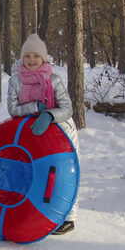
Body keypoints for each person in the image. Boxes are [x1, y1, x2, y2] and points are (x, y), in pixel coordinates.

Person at [7, 33, 79, 235]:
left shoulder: (53, 80)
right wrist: (34, 107)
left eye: (36, 56)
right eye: (27, 56)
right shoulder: (16, 81)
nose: (31, 60)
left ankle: (69, 217)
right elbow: (13, 109)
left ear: (43, 58)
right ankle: (39, 212)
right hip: (32, 133)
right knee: (38, 173)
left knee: (66, 173)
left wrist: (48, 114)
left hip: (61, 131)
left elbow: (67, 108)